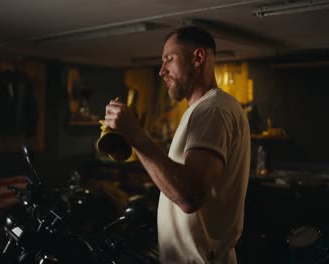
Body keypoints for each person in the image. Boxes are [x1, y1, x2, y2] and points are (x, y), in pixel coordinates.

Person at [103, 26, 250, 264]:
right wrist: (131, 139)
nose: (162, 71)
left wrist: (137, 134)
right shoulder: (201, 110)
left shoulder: (213, 110)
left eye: (169, 59)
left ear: (198, 58)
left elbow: (189, 197)